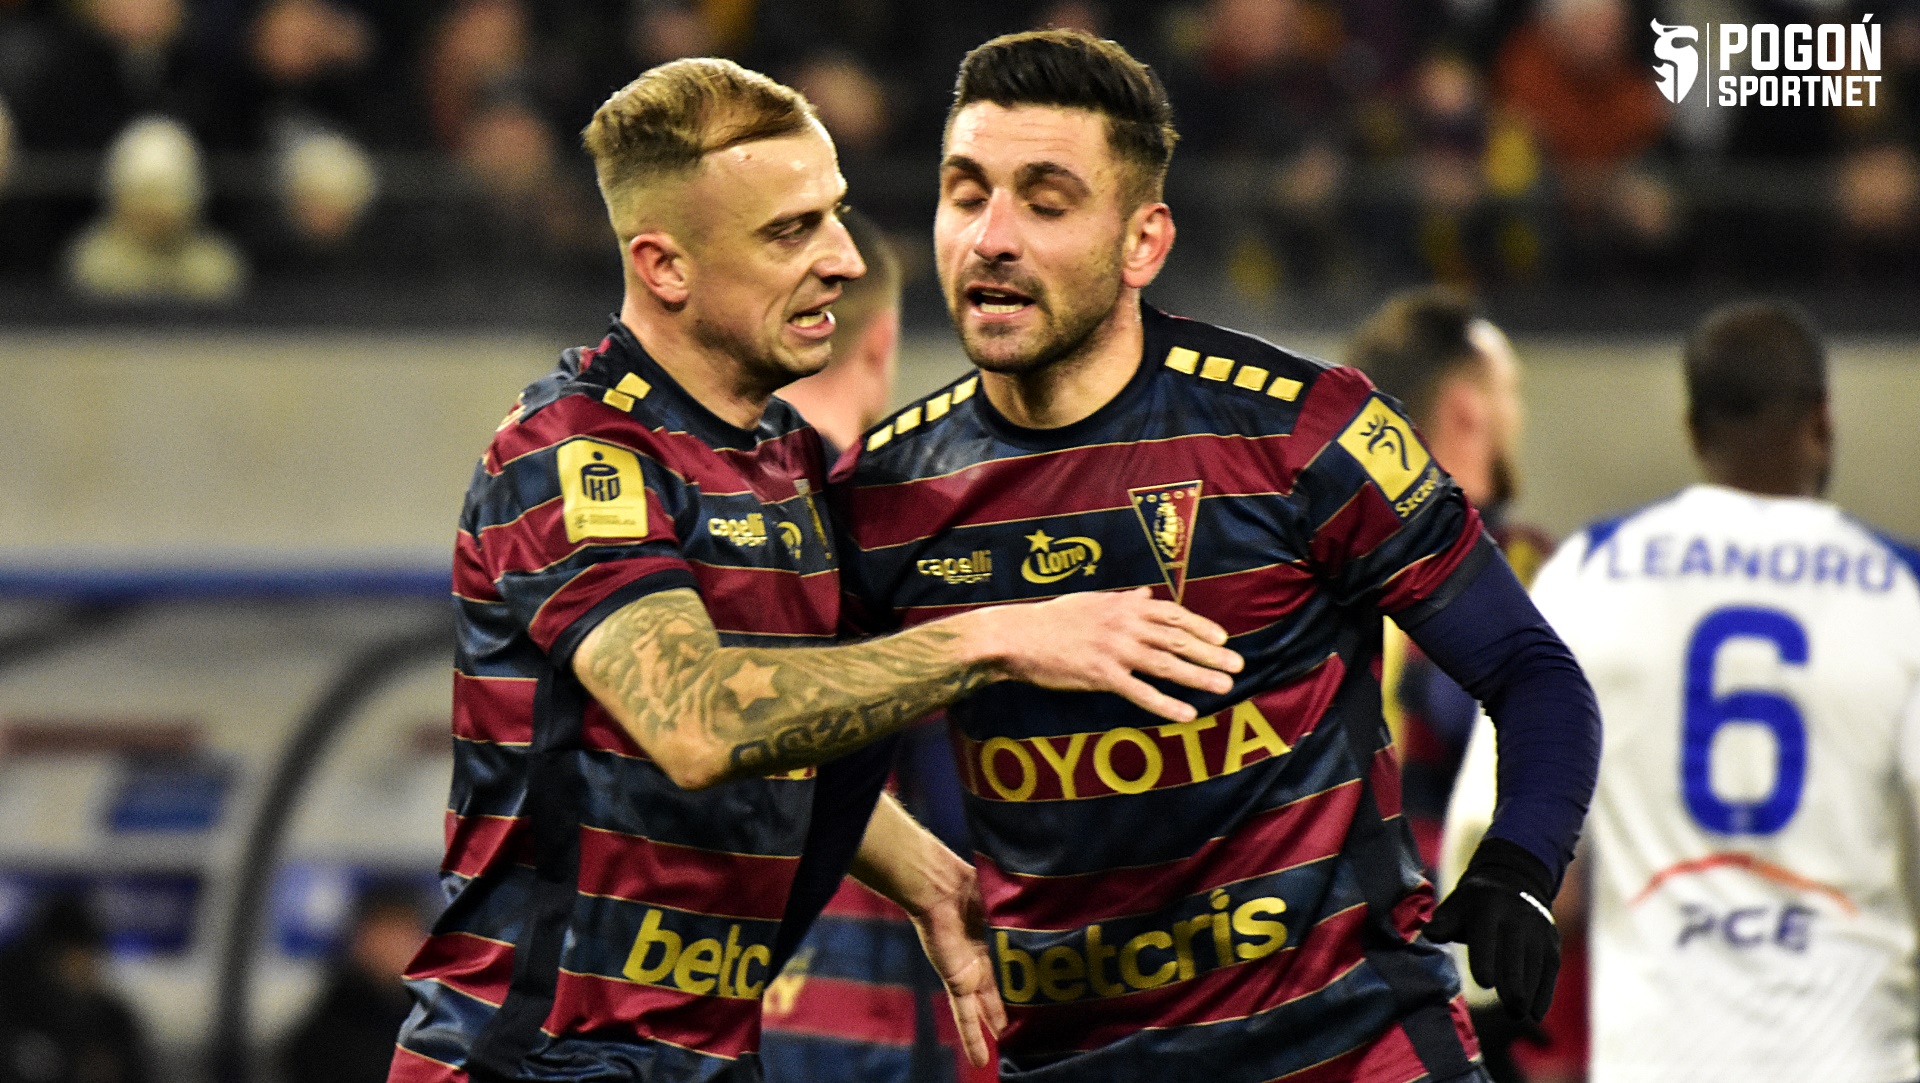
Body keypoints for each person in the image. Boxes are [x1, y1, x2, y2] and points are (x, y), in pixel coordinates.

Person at [388, 56, 1242, 1083]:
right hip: (538, 1059)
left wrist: (929, 877)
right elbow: (697, 722)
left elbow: (777, 735)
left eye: (834, 213)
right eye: (791, 232)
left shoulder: (787, 460)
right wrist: (995, 638)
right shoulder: (574, 456)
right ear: (664, 267)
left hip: (707, 1057)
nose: (841, 258)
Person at [830, 29, 1601, 1083]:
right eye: (967, 195)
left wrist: (1518, 864)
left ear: (1142, 242)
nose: (992, 237)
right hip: (1071, 1061)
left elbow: (1531, 669)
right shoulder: (885, 496)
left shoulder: (1303, 433)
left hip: (1351, 1052)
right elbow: (780, 734)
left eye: (1045, 203)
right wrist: (924, 872)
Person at [1447, 302, 1920, 1082]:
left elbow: (1495, 831)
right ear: (1823, 420)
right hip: (1851, 1053)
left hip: (1657, 1054)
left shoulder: (1590, 574)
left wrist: (1485, 999)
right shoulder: (1900, 590)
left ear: (1695, 430)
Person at [760, 210, 993, 1083]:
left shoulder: (686, 510)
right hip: (869, 1005)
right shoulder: (910, 529)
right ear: (883, 339)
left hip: (684, 991)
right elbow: (966, 799)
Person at [1348, 289, 1580, 1083]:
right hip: (1468, 969)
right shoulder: (1514, 570)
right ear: (1468, 410)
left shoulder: (1315, 566)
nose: (1516, 416)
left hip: (1332, 974)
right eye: (1510, 393)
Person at [282, 885, 430, 1083]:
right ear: (360, 941)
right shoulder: (327, 1035)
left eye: (405, 934)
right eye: (385, 933)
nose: (394, 947)